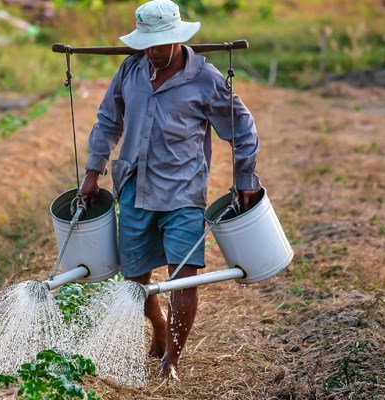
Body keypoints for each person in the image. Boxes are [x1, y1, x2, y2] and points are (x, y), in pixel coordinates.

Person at [77, 0, 261, 380]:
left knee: (183, 277)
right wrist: (93, 171)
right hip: (134, 188)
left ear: (177, 40)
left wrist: (245, 178)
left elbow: (242, 130)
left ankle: (170, 362)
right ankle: (159, 326)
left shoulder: (205, 80)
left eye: (159, 44)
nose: (152, 51)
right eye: (146, 44)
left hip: (183, 193)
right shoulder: (131, 69)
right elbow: (108, 120)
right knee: (135, 281)